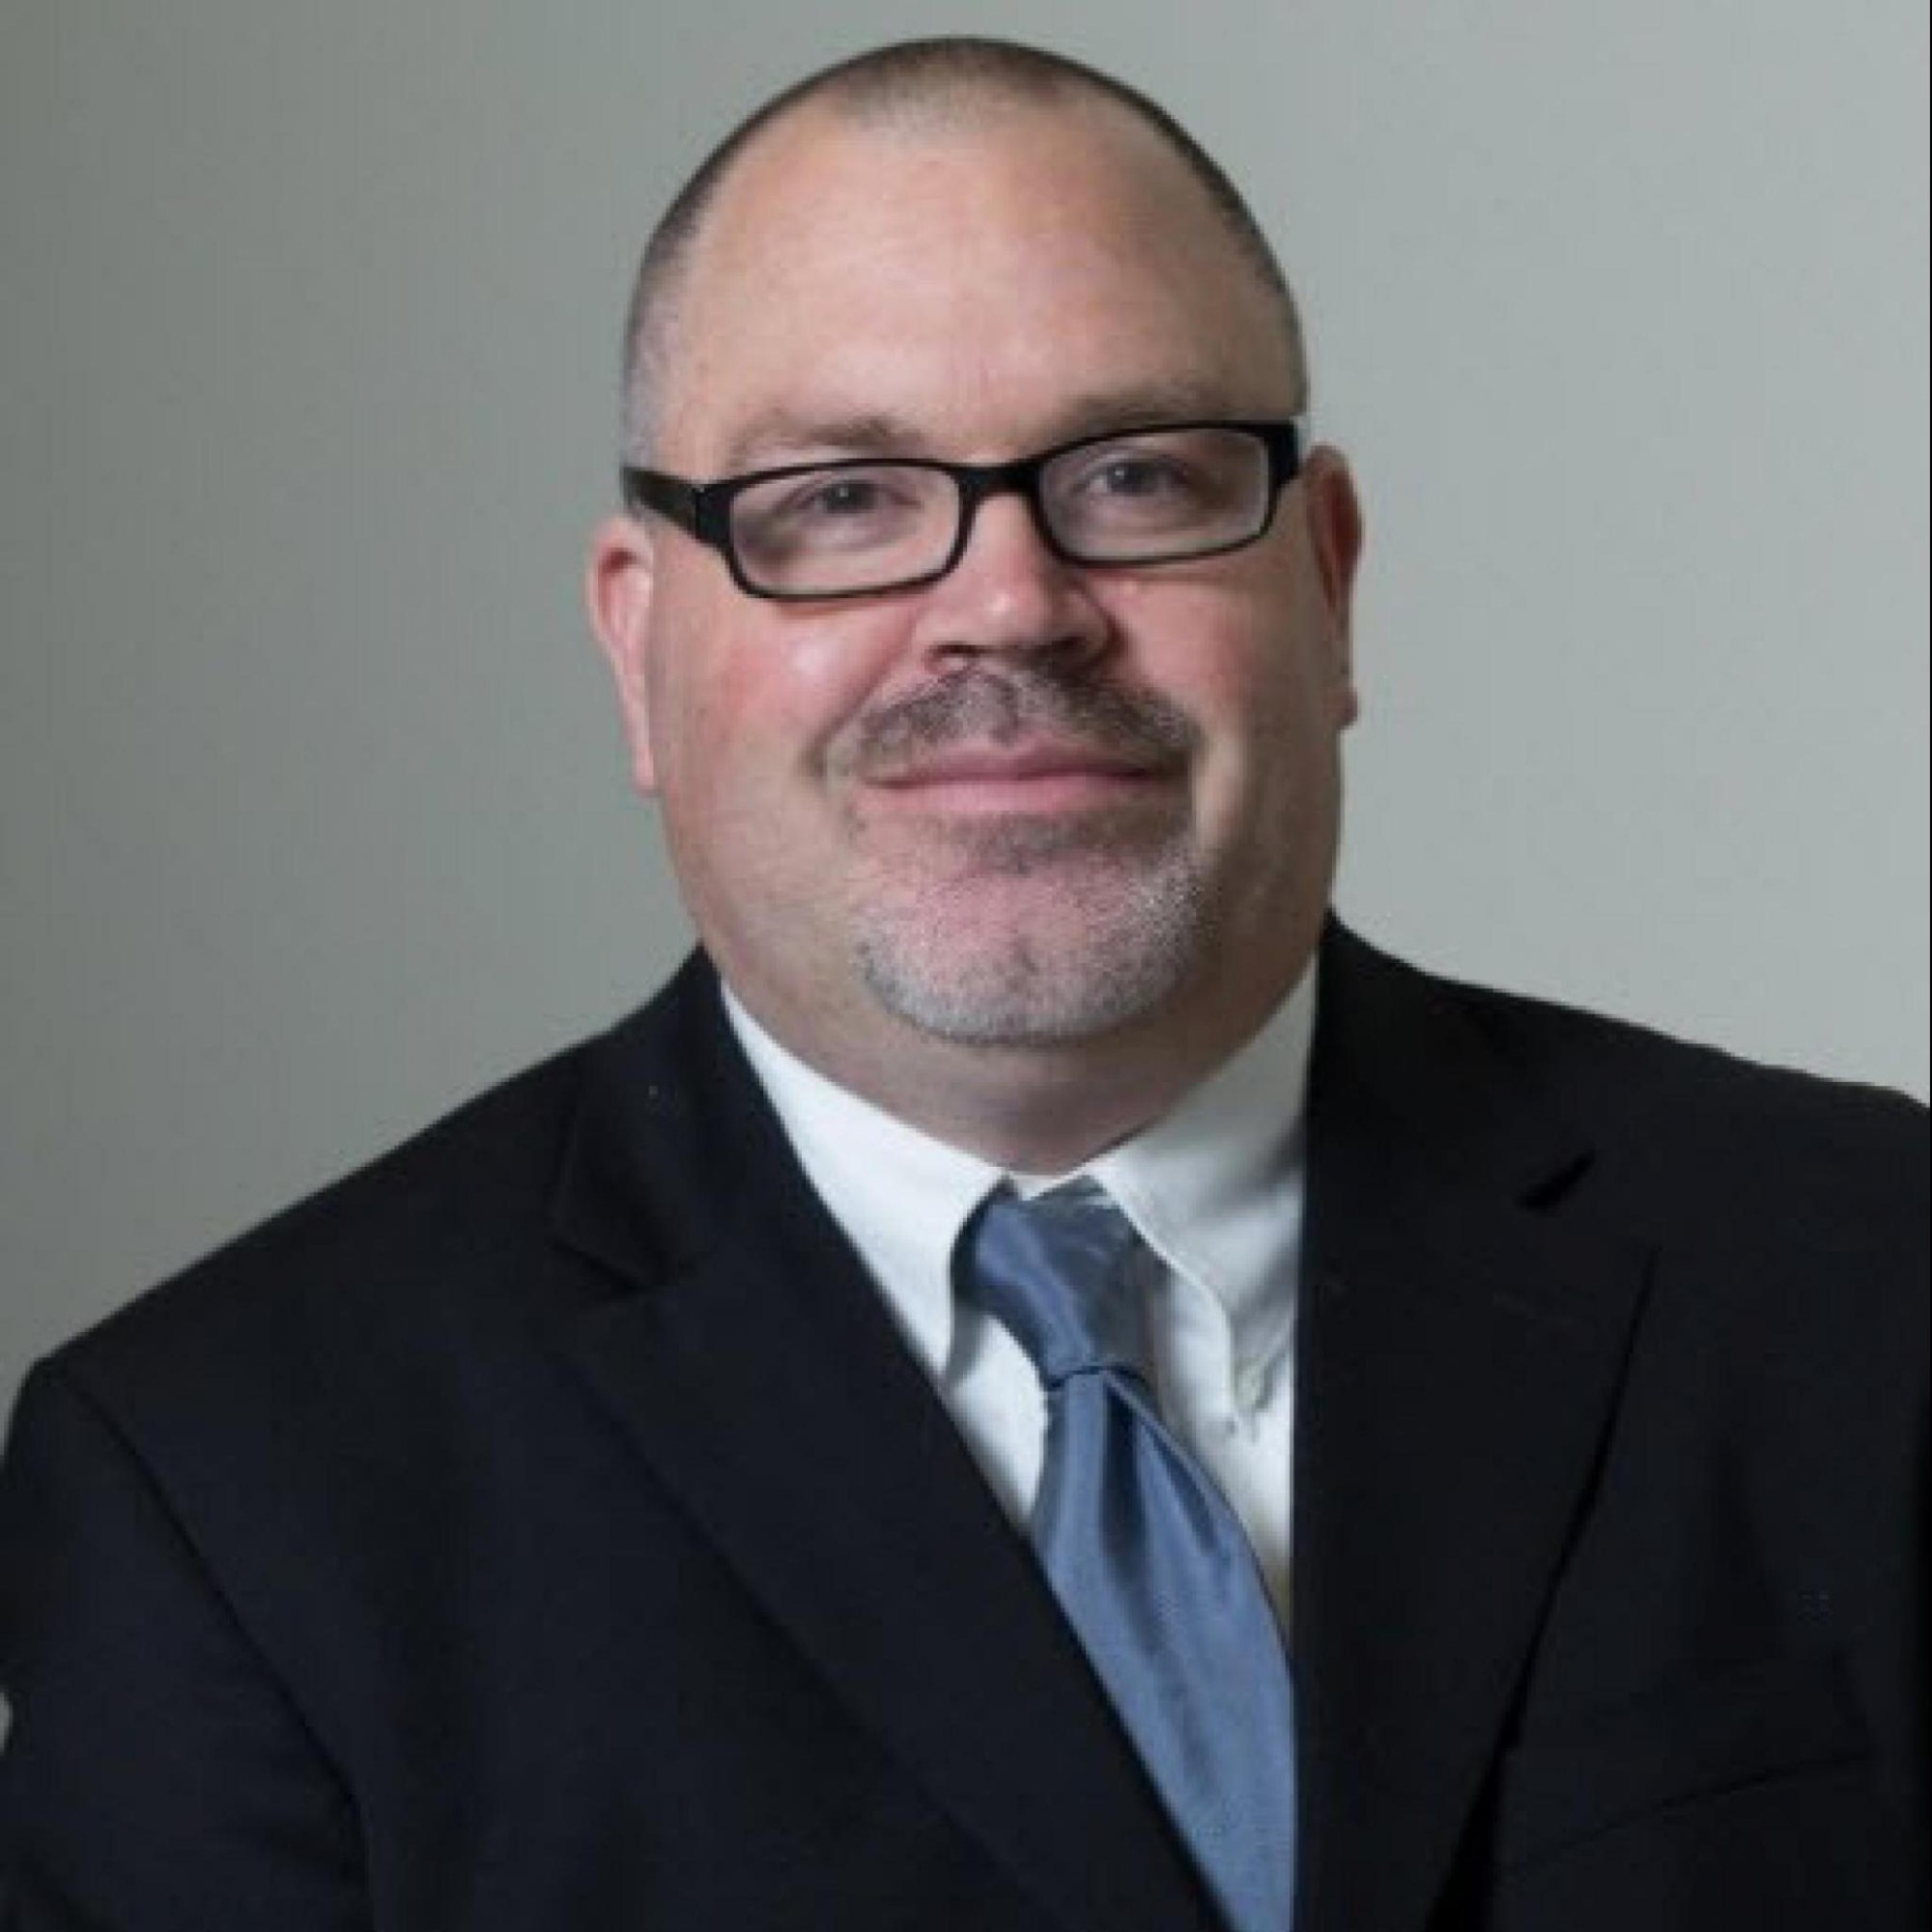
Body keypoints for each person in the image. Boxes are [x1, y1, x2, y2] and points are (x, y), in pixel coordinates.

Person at [0, 36, 1922, 1932]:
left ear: (1329, 583)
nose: (1008, 606)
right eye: (839, 500)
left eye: (1138, 476)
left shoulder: (1867, 1279)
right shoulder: (228, 1488)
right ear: (638, 644)